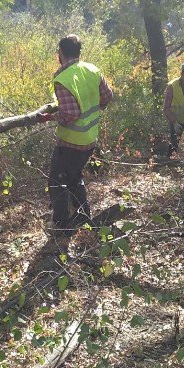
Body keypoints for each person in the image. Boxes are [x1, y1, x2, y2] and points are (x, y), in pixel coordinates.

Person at [37, 34, 113, 231]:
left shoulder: (62, 78)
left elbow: (70, 113)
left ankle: (62, 226)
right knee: (74, 176)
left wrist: (50, 117)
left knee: (57, 181)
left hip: (71, 141)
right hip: (89, 139)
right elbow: (107, 97)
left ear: (60, 54)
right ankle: (82, 216)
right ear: (79, 52)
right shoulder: (92, 70)